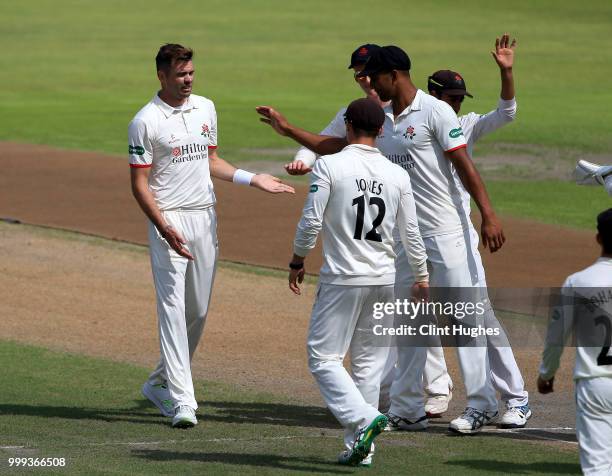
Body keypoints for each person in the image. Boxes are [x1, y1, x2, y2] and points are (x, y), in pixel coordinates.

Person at [257, 45, 505, 434]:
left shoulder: (436, 111)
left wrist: (488, 214)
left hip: (446, 231)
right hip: (406, 238)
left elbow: (464, 164)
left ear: (394, 74)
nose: (369, 83)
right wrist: (288, 129)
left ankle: (483, 403)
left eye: (373, 76)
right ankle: (407, 408)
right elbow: (336, 146)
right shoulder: (383, 119)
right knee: (409, 321)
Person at [129, 44, 294, 428]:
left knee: (197, 311)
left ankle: (157, 383)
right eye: (180, 74)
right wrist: (162, 225)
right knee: (171, 309)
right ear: (161, 76)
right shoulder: (145, 121)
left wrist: (254, 179)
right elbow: (139, 184)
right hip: (168, 218)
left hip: (204, 218)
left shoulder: (206, 107)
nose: (187, 80)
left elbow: (211, 160)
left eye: (191, 73)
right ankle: (183, 402)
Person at [399, 33, 531, 429]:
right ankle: (411, 401)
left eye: (460, 99)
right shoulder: (416, 121)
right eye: (451, 98)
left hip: (456, 235)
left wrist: (506, 72)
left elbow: (506, 112)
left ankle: (515, 398)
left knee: (476, 315)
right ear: (434, 94)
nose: (456, 105)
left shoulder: (465, 125)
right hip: (423, 237)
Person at [289, 97, 429, 466]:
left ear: (348, 126)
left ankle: (365, 420)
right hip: (384, 278)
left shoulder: (330, 166)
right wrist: (422, 275)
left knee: (323, 358)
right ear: (381, 131)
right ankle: (361, 448)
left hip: (342, 280)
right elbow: (410, 233)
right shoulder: (398, 175)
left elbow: (310, 222)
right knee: (367, 366)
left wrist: (297, 259)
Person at [538, 208, 612, 476]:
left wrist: (546, 374)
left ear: (598, 238)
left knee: (598, 468)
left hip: (595, 384)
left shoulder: (578, 281)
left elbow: (556, 337)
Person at [287, 43, 388, 176]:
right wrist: (301, 161)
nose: (368, 81)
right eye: (360, 76)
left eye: (372, 73)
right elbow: (316, 144)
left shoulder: (409, 109)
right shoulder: (352, 114)